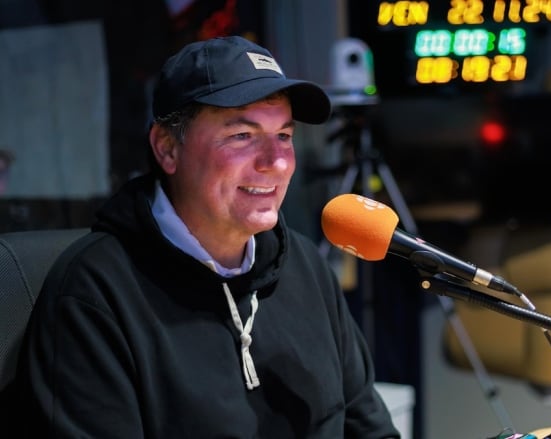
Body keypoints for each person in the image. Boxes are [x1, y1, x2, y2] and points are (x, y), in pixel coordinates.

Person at [13, 35, 400, 438]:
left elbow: (370, 429)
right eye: (242, 136)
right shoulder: (94, 292)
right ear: (167, 149)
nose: (276, 162)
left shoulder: (306, 268)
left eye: (284, 136)